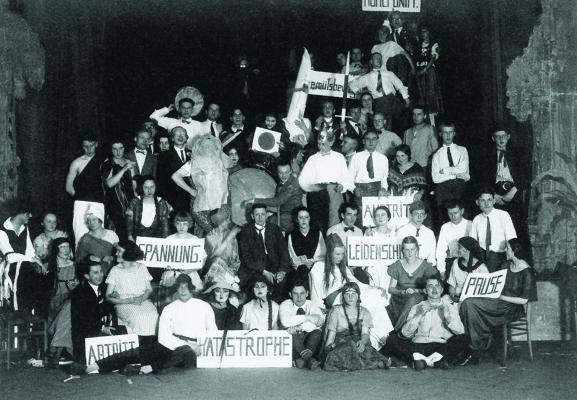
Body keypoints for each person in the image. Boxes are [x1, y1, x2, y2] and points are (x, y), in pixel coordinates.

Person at [73, 274, 216, 375]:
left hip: (193, 351)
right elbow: (164, 337)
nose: (183, 290)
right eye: (180, 287)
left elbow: (213, 333)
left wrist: (198, 346)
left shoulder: (204, 306)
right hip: (172, 344)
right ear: (176, 289)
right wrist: (186, 344)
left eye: (186, 287)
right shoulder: (169, 308)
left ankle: (149, 368)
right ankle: (91, 367)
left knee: (184, 352)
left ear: (192, 288)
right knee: (137, 351)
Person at [309, 234, 393, 349]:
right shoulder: (318, 267)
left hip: (349, 292)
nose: (340, 257)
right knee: (366, 299)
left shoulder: (343, 267)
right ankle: (380, 337)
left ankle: (380, 336)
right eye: (337, 254)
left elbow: (357, 283)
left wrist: (375, 288)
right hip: (335, 297)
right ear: (329, 253)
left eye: (343, 254)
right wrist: (318, 309)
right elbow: (315, 292)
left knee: (376, 296)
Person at [459, 239, 535, 365]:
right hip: (497, 302)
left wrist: (502, 297)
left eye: (508, 248)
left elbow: (524, 300)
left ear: (516, 251)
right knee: (468, 303)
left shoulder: (527, 272)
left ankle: (475, 348)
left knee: (470, 304)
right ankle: (478, 344)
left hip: (512, 308)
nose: (506, 250)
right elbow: (494, 282)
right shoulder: (505, 265)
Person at [384, 275, 468, 370]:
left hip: (441, 345)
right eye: (430, 286)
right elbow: (405, 333)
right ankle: (435, 361)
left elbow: (460, 331)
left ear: (441, 290)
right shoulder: (417, 307)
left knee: (464, 338)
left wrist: (448, 318)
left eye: (437, 286)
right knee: (392, 339)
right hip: (419, 346)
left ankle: (422, 360)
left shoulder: (450, 307)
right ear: (425, 290)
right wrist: (419, 315)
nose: (434, 288)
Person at [172, 134, 231, 236]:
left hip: (220, 206)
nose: (208, 148)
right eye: (205, 146)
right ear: (200, 147)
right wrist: (191, 190)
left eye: (211, 146)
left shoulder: (221, 161)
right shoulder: (193, 162)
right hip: (201, 207)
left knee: (220, 235)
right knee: (207, 234)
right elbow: (175, 176)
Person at [323, 282, 391, 371]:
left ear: (358, 295)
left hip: (358, 341)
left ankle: (359, 364)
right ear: (343, 296)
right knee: (349, 346)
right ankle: (375, 364)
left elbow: (365, 334)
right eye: (347, 294)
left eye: (353, 294)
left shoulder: (364, 312)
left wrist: (362, 342)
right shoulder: (336, 311)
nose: (350, 297)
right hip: (340, 344)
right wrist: (328, 350)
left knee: (364, 349)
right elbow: (331, 335)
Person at [480, 125, 530, 240]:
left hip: (514, 190)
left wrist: (513, 191)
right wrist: (493, 196)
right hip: (495, 192)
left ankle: (519, 254)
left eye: (503, 136)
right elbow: (483, 179)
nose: (501, 140)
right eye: (498, 137)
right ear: (493, 138)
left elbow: (525, 176)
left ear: (508, 137)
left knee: (517, 225)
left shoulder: (518, 154)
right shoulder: (487, 156)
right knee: (496, 226)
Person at [299, 129, 354, 233]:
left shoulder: (339, 157)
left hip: (335, 192)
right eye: (319, 144)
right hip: (317, 193)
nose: (321, 147)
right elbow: (302, 179)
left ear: (331, 142)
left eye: (324, 144)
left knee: (334, 221)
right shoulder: (312, 158)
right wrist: (310, 187)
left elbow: (347, 178)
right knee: (317, 223)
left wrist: (342, 186)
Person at [0, 201, 49, 313]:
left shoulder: (24, 228)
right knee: (26, 270)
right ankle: (19, 312)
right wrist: (33, 260)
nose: (30, 216)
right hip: (8, 269)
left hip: (24, 267)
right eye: (28, 213)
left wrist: (38, 262)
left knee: (40, 274)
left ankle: (33, 314)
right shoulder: (2, 231)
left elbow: (30, 251)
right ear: (20, 213)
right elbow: (10, 256)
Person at [237, 204, 290, 302]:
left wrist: (282, 271)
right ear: (252, 216)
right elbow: (246, 258)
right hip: (255, 268)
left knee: (282, 282)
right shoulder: (245, 232)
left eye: (262, 214)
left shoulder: (275, 229)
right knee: (258, 283)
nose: (260, 217)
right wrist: (264, 272)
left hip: (275, 265)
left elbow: (284, 252)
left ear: (266, 215)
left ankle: (275, 309)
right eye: (257, 215)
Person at [105, 241, 159, 336]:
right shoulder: (115, 270)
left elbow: (149, 289)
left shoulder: (142, 267)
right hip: (123, 304)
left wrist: (141, 299)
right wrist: (127, 300)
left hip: (143, 301)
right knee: (138, 318)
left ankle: (150, 344)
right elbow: (108, 297)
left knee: (154, 316)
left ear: (128, 253)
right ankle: (140, 343)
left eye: (119, 251)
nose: (116, 253)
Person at [70, 258, 117, 364]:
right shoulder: (79, 293)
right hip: (87, 334)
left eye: (101, 271)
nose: (100, 275)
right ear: (86, 276)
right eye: (95, 273)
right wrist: (102, 327)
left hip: (104, 328)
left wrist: (113, 299)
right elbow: (85, 318)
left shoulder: (106, 288)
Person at [387, 236, 438, 331]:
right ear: (402, 250)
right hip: (399, 299)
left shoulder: (426, 266)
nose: (410, 253)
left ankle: (397, 331)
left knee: (413, 298)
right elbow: (391, 289)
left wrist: (416, 290)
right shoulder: (397, 265)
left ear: (417, 249)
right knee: (410, 299)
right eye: (406, 250)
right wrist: (402, 292)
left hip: (418, 296)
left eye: (412, 249)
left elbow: (433, 287)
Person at [348, 52, 410, 128]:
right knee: (385, 125)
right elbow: (351, 85)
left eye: (380, 59)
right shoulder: (367, 77)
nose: (379, 60)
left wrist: (406, 99)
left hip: (393, 101)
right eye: (376, 58)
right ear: (371, 61)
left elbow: (400, 86)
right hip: (380, 103)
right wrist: (361, 92)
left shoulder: (389, 73)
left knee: (402, 122)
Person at [65, 135, 105, 246]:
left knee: (99, 237)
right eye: (85, 146)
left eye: (91, 146)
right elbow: (68, 187)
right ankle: (80, 262)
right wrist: (81, 198)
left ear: (96, 144)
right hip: (81, 203)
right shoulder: (77, 162)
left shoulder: (104, 161)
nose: (88, 149)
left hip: (98, 202)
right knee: (80, 235)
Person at [431, 122, 469, 229]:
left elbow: (463, 169)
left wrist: (445, 170)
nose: (448, 136)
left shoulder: (462, 150)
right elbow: (436, 178)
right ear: (440, 134)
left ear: (454, 134)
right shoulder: (436, 155)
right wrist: (455, 175)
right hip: (443, 189)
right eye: (445, 133)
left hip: (460, 187)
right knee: (444, 219)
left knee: (463, 217)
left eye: (450, 132)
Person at [279, 280, 324, 369]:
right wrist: (307, 317)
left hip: (309, 341)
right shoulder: (285, 304)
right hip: (294, 341)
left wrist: (300, 327)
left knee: (317, 331)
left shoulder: (312, 304)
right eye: (295, 294)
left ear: (307, 293)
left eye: (302, 293)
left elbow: (320, 322)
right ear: (290, 294)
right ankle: (309, 359)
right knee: (288, 332)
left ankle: (302, 359)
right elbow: (285, 322)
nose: (299, 297)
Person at [46, 237, 77, 366]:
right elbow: (45, 290)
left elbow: (79, 287)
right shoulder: (50, 265)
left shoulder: (74, 265)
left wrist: (75, 286)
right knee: (69, 309)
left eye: (67, 247)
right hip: (55, 299)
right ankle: (59, 349)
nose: (65, 250)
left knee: (70, 307)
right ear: (56, 250)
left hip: (71, 297)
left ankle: (55, 348)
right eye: (62, 247)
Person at [158, 212, 204, 297]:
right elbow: (162, 258)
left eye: (184, 224)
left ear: (189, 224)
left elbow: (202, 260)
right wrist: (166, 265)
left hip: (190, 274)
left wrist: (190, 270)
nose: (181, 227)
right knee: (171, 298)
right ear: (175, 224)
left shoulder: (195, 239)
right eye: (178, 224)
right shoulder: (169, 239)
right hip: (172, 274)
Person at [250, 159, 304, 233]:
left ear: (291, 171)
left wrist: (255, 200)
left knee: (266, 221)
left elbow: (277, 201)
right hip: (283, 213)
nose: (284, 176)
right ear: (277, 172)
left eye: (286, 172)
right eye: (280, 173)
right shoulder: (282, 182)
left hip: (293, 217)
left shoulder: (293, 184)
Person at [471, 187, 517, 272]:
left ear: (494, 201)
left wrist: (510, 251)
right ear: (477, 202)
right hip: (482, 255)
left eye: (489, 200)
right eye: (482, 200)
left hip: (500, 255)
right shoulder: (476, 219)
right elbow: (473, 242)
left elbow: (511, 237)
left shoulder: (503, 215)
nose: (486, 204)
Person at [349, 131, 389, 218]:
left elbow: (384, 179)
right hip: (360, 192)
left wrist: (383, 188)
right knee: (361, 220)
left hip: (377, 192)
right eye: (368, 139)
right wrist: (354, 189)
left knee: (376, 218)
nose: (371, 142)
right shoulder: (356, 157)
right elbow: (349, 179)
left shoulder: (383, 158)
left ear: (377, 141)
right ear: (363, 141)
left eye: (374, 139)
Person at [101, 140, 135, 240]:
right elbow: (109, 184)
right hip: (114, 204)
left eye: (120, 148)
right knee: (115, 234)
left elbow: (134, 184)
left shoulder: (129, 162)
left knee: (130, 233)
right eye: (115, 149)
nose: (118, 152)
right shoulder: (108, 163)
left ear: (124, 149)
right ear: (111, 150)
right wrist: (124, 169)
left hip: (129, 202)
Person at [126, 175, 171, 242]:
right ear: (141, 188)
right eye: (146, 187)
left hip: (156, 241)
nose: (149, 190)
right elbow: (129, 221)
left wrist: (165, 242)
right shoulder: (135, 201)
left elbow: (165, 226)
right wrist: (129, 237)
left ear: (156, 187)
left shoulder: (161, 202)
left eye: (152, 187)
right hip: (136, 240)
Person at [287, 207, 326, 283]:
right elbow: (292, 255)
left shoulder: (317, 233)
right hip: (299, 269)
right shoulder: (292, 235)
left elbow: (322, 254)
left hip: (315, 266)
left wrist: (313, 263)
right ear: (297, 219)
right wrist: (303, 264)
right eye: (301, 217)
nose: (304, 220)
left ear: (310, 219)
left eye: (306, 217)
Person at [156, 126, 190, 213]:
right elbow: (161, 181)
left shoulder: (193, 154)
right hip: (173, 201)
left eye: (183, 134)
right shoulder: (163, 156)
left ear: (187, 138)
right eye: (177, 134)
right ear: (172, 138)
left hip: (192, 200)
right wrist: (166, 201)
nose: (180, 136)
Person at [436, 199, 472, 278]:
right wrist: (442, 270)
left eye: (455, 213)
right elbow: (440, 251)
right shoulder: (445, 227)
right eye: (450, 213)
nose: (453, 216)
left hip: (469, 263)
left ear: (462, 211)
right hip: (452, 263)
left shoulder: (471, 225)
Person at [415, 25, 443, 124]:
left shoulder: (434, 44)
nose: (424, 33)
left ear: (429, 32)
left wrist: (425, 69)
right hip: (419, 71)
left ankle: (432, 123)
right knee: (421, 95)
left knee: (430, 94)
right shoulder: (418, 45)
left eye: (425, 31)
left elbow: (433, 58)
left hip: (429, 71)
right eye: (422, 32)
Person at [447, 237, 489, 302]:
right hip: (457, 298)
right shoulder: (455, 262)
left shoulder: (482, 268)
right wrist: (453, 295)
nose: (457, 249)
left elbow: (485, 292)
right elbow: (452, 284)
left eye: (459, 247)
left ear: (467, 250)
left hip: (474, 301)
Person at [396, 201, 436, 266]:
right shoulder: (402, 231)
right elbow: (398, 253)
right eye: (416, 214)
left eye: (422, 214)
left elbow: (432, 256)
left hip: (424, 267)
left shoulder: (429, 233)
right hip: (406, 266)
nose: (419, 217)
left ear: (425, 216)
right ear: (411, 215)